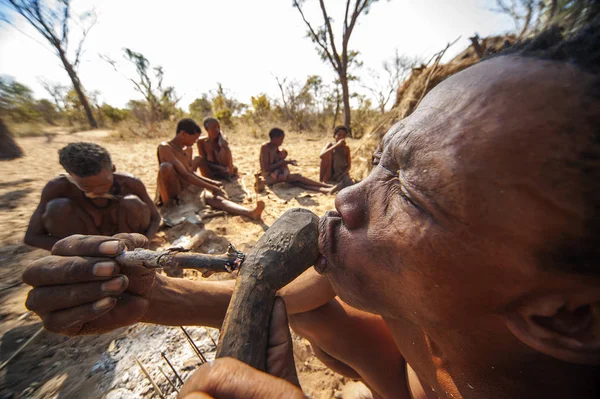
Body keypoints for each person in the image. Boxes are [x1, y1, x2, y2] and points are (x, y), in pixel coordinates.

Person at [22, 24, 600, 398]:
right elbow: (287, 293)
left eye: (416, 193)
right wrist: (154, 299)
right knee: (314, 313)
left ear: (572, 318)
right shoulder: (419, 290)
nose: (346, 198)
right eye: (381, 160)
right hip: (401, 379)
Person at [24, 142, 161, 251]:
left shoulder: (130, 183)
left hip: (126, 242)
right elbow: (32, 236)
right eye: (86, 187)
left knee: (132, 203)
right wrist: (82, 249)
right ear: (70, 176)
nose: (97, 191)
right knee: (57, 207)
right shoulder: (58, 188)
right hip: (85, 247)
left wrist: (145, 242)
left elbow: (155, 217)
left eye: (104, 184)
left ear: (112, 168)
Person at [156, 118, 264, 220]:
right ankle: (172, 205)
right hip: (174, 192)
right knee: (166, 167)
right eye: (193, 138)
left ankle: (250, 212)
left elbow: (190, 173)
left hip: (188, 189)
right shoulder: (165, 147)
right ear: (183, 134)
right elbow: (185, 175)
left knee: (217, 200)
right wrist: (212, 187)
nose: (195, 142)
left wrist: (214, 183)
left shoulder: (186, 150)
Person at [260, 127, 336, 194]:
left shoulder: (276, 147)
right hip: (269, 177)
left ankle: (325, 189)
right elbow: (266, 168)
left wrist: (287, 161)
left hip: (278, 174)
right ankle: (325, 186)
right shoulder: (265, 148)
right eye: (281, 139)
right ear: (274, 138)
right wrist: (283, 162)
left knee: (297, 182)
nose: (282, 141)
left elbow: (278, 160)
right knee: (298, 178)